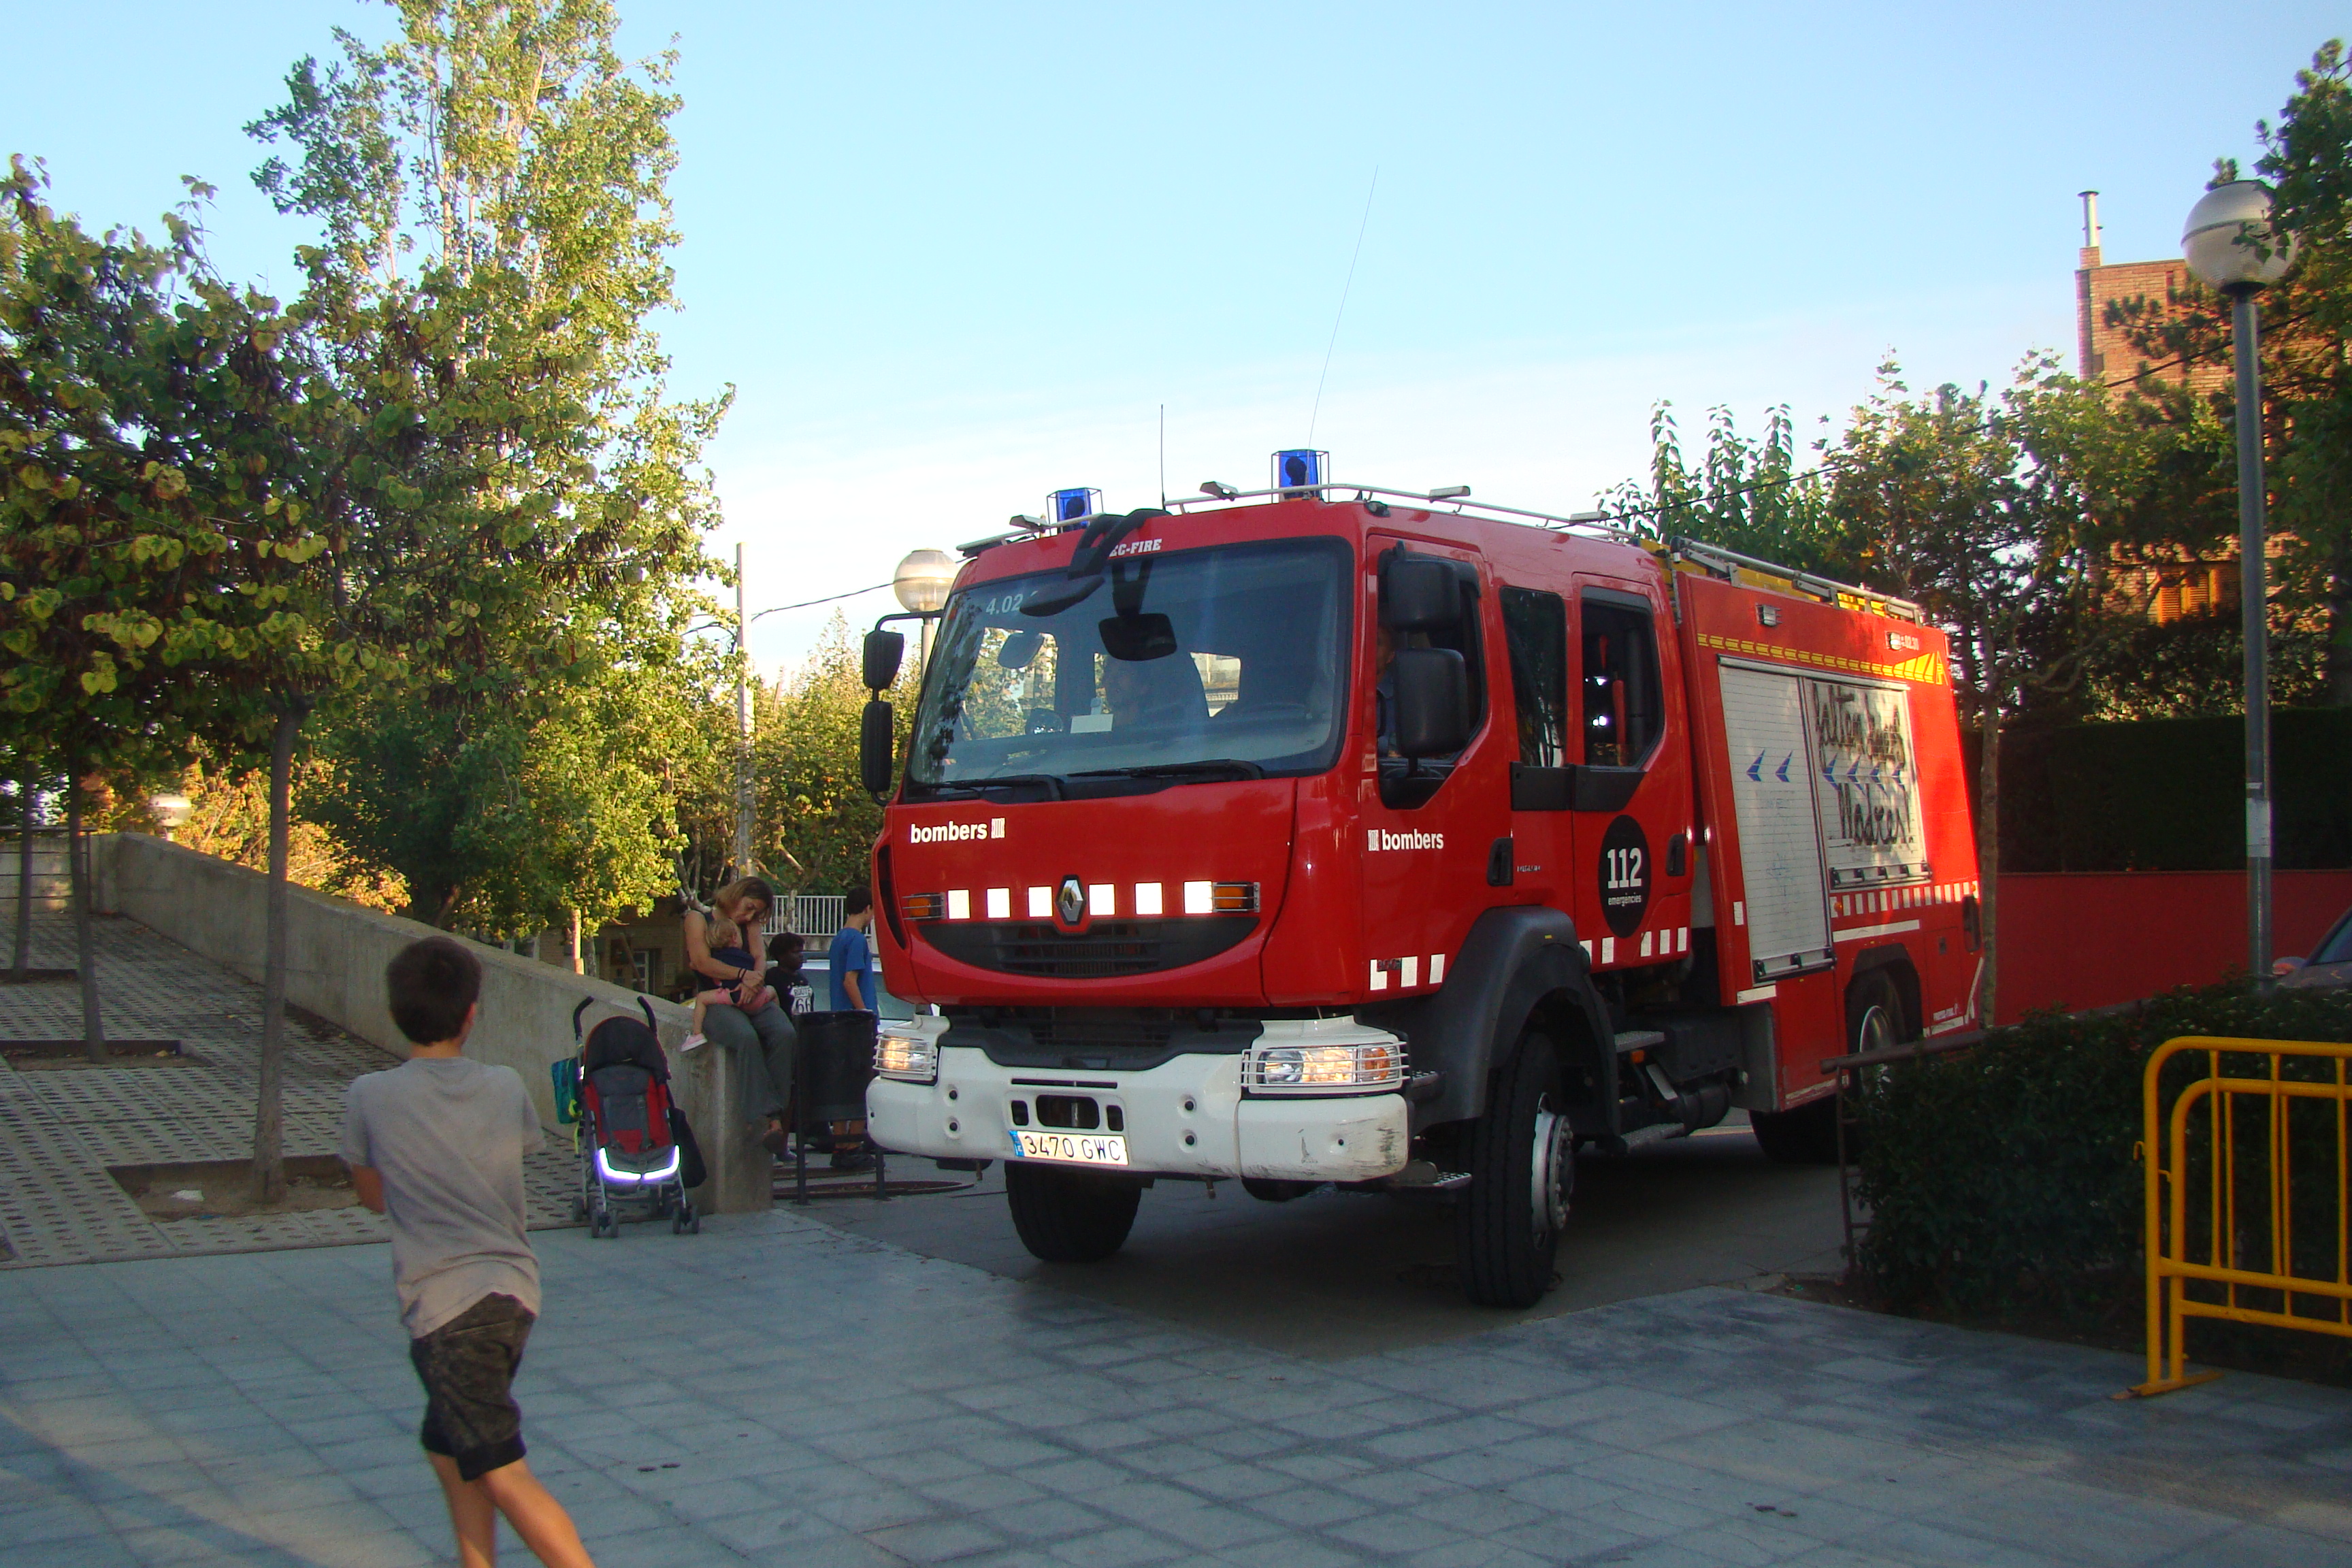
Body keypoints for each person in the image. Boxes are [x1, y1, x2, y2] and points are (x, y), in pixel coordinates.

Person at [342, 936, 598, 1568]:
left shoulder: (370, 1095)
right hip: (512, 1295)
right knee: (447, 1447)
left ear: (395, 1011)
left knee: (501, 1469)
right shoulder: (505, 1085)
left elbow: (372, 1197)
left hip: (447, 1312)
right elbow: (517, 1152)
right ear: (471, 1014)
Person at [683, 877, 796, 1149]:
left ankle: (777, 1118)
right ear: (736, 895)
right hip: (717, 1000)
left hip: (752, 995)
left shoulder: (750, 926)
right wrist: (743, 975)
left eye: (756, 913)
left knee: (785, 1033)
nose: (748, 916)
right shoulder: (699, 919)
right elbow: (701, 961)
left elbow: (759, 958)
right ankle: (763, 1116)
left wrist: (753, 982)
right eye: (749, 907)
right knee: (745, 1037)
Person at [821, 891, 877, 1173]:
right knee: (861, 1085)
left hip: (840, 1021)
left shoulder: (838, 939)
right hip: (856, 1023)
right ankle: (853, 1146)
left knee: (844, 1086)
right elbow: (850, 980)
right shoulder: (857, 940)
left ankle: (840, 1144)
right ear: (867, 908)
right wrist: (864, 1012)